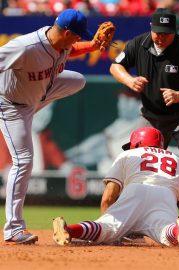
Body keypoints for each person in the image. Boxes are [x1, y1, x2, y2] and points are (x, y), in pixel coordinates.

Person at [0, 8, 110, 244]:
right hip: (10, 105)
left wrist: (92, 45)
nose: (79, 39)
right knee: (24, 161)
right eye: (78, 35)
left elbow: (70, 50)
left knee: (78, 80)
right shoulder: (25, 47)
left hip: (36, 95)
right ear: (67, 32)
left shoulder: (60, 41)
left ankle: (40, 97)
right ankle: (13, 229)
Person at [109, 8, 179, 239]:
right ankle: (135, 220)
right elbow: (115, 66)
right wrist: (129, 80)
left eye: (166, 33)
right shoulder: (139, 44)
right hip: (151, 115)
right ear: (151, 27)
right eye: (157, 31)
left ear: (174, 32)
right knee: (139, 161)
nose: (161, 37)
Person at [53, 127, 179, 248]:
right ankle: (178, 229)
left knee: (105, 228)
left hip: (136, 190)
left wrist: (108, 220)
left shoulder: (128, 154)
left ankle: (69, 230)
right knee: (166, 233)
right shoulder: (178, 160)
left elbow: (109, 196)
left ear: (137, 143)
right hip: (165, 195)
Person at [65, 87, 142, 175]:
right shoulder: (120, 123)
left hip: (127, 176)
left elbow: (102, 150)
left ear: (140, 104)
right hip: (106, 176)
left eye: (128, 100)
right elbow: (97, 141)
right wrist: (68, 155)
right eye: (121, 99)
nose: (123, 104)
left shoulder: (143, 126)